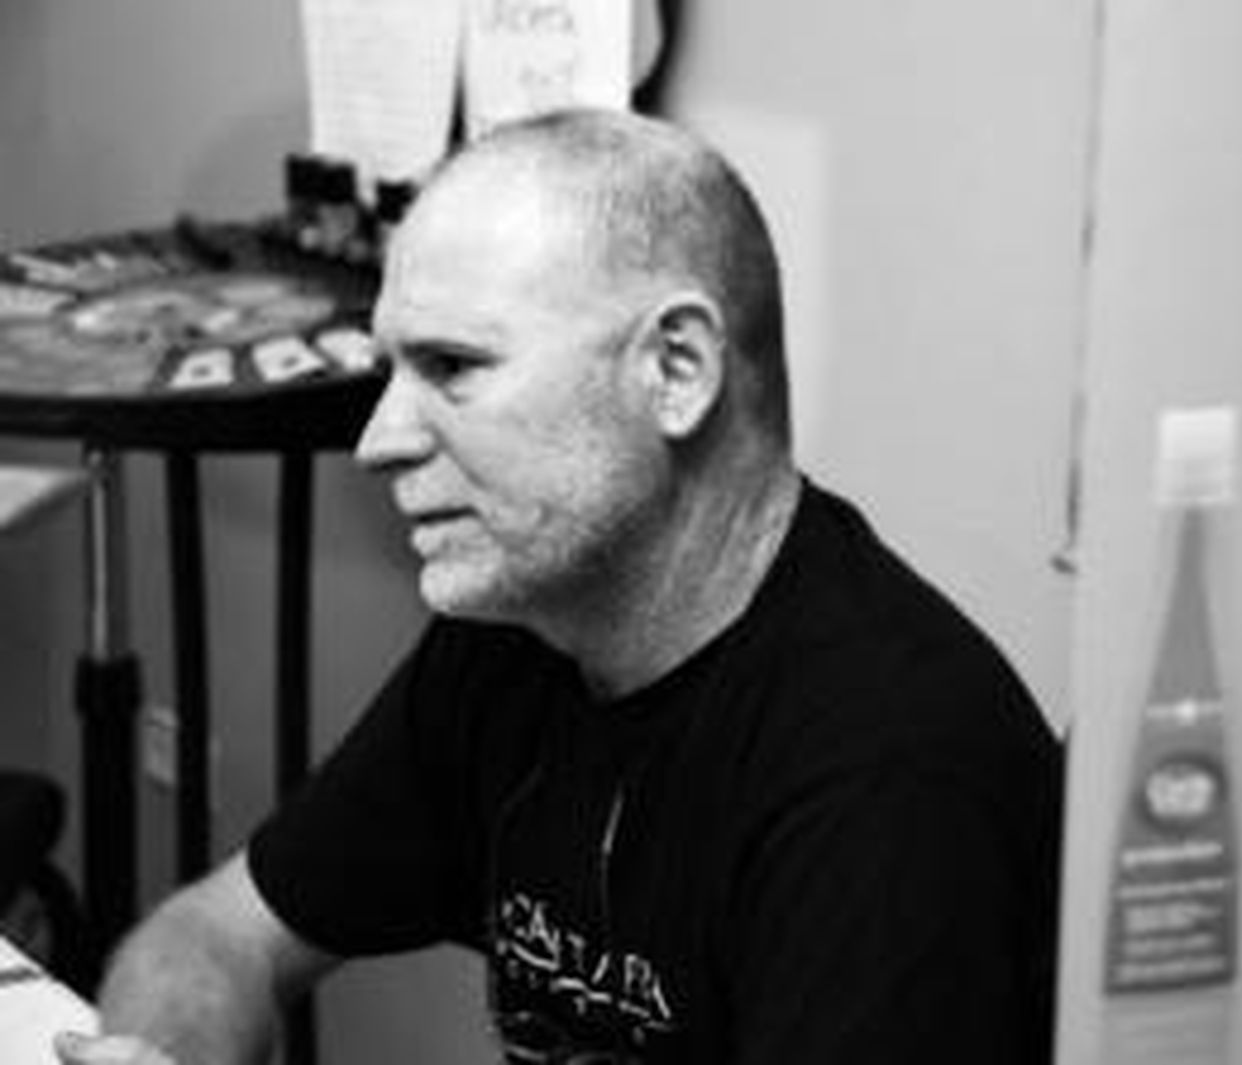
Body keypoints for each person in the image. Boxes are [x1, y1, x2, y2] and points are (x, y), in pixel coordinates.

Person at [55, 107, 1063, 1065]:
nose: (377, 440)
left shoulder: (891, 779)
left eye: (453, 366)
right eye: (392, 371)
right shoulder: (527, 626)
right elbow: (217, 935)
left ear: (676, 369)